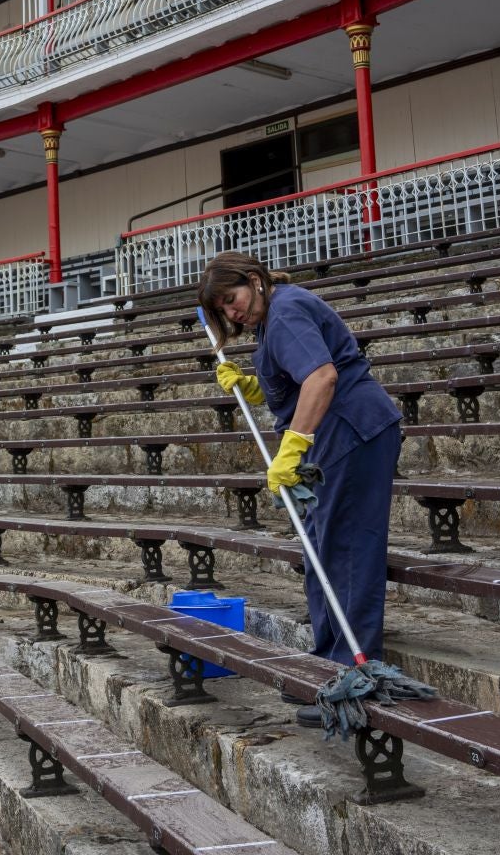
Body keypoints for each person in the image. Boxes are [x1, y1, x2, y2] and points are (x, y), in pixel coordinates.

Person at [197, 250, 401, 724]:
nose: (233, 313)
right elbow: (295, 379)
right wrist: (251, 387)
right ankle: (328, 662)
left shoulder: (285, 310)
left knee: (345, 550)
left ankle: (352, 673)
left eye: (233, 298)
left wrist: (292, 447)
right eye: (223, 310)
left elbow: (322, 377)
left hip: (350, 431)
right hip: (337, 437)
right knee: (323, 548)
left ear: (255, 279)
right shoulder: (275, 317)